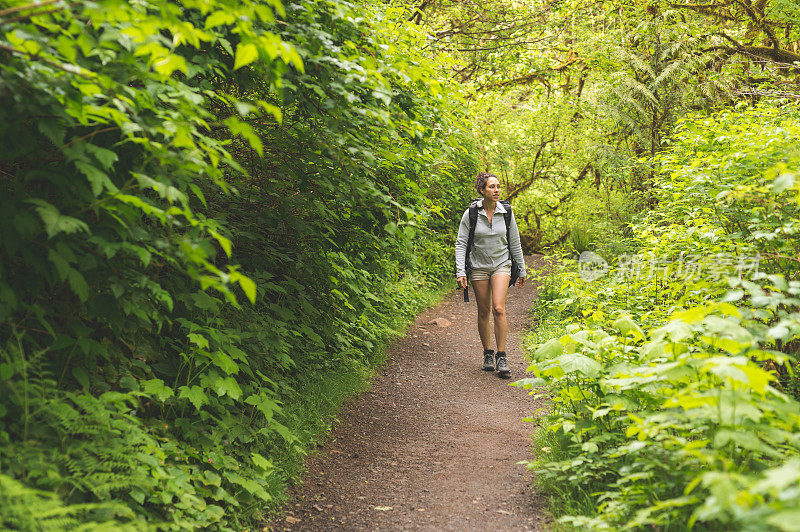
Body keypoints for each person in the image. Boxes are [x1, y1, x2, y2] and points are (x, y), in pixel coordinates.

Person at [455, 172, 526, 376]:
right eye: (491, 187)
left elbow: (515, 242)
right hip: (478, 266)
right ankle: (487, 352)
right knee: (484, 310)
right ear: (482, 190)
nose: (496, 190)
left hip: (501, 264)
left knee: (498, 308)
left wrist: (521, 269)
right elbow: (461, 243)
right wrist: (461, 271)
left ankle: (502, 356)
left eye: (498, 187)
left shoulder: (507, 213)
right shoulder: (471, 213)